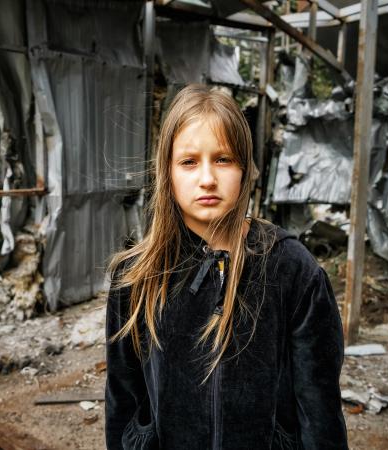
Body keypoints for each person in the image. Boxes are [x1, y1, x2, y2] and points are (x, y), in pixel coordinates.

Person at [105, 84, 348, 450]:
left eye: (223, 159)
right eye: (189, 162)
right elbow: (122, 399)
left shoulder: (292, 269)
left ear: (245, 168)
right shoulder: (137, 274)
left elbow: (319, 404)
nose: (207, 179)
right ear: (167, 172)